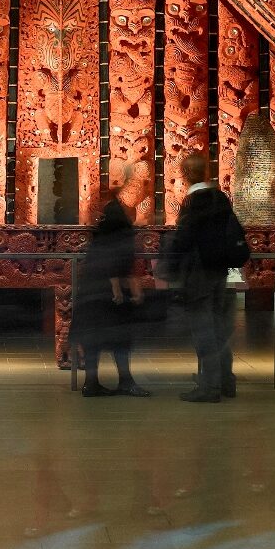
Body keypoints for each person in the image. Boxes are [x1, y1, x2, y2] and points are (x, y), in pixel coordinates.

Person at [165, 151, 248, 402]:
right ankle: (226, 381)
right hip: (220, 272)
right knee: (219, 328)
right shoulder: (221, 199)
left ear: (185, 175)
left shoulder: (194, 202)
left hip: (199, 274)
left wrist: (170, 267)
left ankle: (209, 387)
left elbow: (184, 239)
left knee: (203, 331)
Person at [73, 184, 149, 397]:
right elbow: (118, 262)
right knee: (120, 338)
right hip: (108, 294)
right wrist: (122, 287)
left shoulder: (102, 232)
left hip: (92, 290)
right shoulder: (120, 231)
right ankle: (125, 381)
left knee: (92, 338)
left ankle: (91, 382)